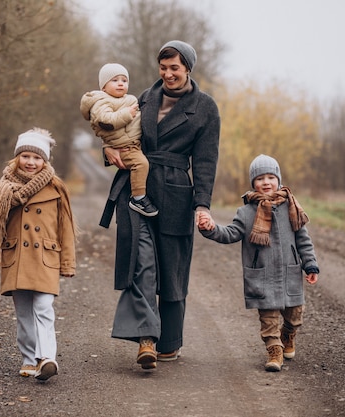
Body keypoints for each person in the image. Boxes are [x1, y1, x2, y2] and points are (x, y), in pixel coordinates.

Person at [99, 40, 220, 369]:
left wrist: (202, 205)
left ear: (188, 69)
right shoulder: (144, 98)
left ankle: (168, 340)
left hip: (177, 193)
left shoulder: (205, 107)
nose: (168, 74)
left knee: (172, 268)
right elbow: (118, 132)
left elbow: (206, 161)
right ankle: (146, 339)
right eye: (163, 67)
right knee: (141, 264)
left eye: (174, 68)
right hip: (135, 191)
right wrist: (108, 153)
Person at [197, 154, 320, 372]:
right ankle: (274, 351)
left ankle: (288, 335)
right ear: (253, 182)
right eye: (260, 178)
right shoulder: (246, 213)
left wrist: (309, 264)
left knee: (295, 314)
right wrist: (211, 228)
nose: (266, 182)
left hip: (289, 273)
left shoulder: (291, 206)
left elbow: (303, 240)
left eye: (271, 177)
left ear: (278, 180)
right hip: (262, 275)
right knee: (269, 319)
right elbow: (230, 233)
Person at [0, 127, 76, 381]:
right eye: (26, 156)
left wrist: (67, 262)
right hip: (16, 257)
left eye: (37, 157)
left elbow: (66, 228)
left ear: (45, 161)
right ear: (17, 157)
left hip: (45, 258)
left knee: (43, 307)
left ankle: (47, 357)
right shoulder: (5, 188)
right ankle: (29, 358)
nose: (31, 162)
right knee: (23, 314)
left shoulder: (56, 188)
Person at [80, 63, 158, 217]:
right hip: (124, 147)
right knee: (140, 164)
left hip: (133, 143)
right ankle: (138, 198)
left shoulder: (127, 99)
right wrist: (127, 114)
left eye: (124, 80)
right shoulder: (101, 101)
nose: (121, 83)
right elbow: (105, 121)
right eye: (115, 80)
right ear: (103, 86)